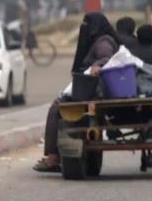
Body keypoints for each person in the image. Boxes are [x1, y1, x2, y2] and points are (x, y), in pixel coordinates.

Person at [34, 13, 119, 173]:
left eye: (87, 24)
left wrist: (97, 66)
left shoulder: (103, 42)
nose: (84, 27)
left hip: (93, 90)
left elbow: (106, 58)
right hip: (88, 87)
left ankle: (53, 158)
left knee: (55, 109)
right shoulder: (98, 41)